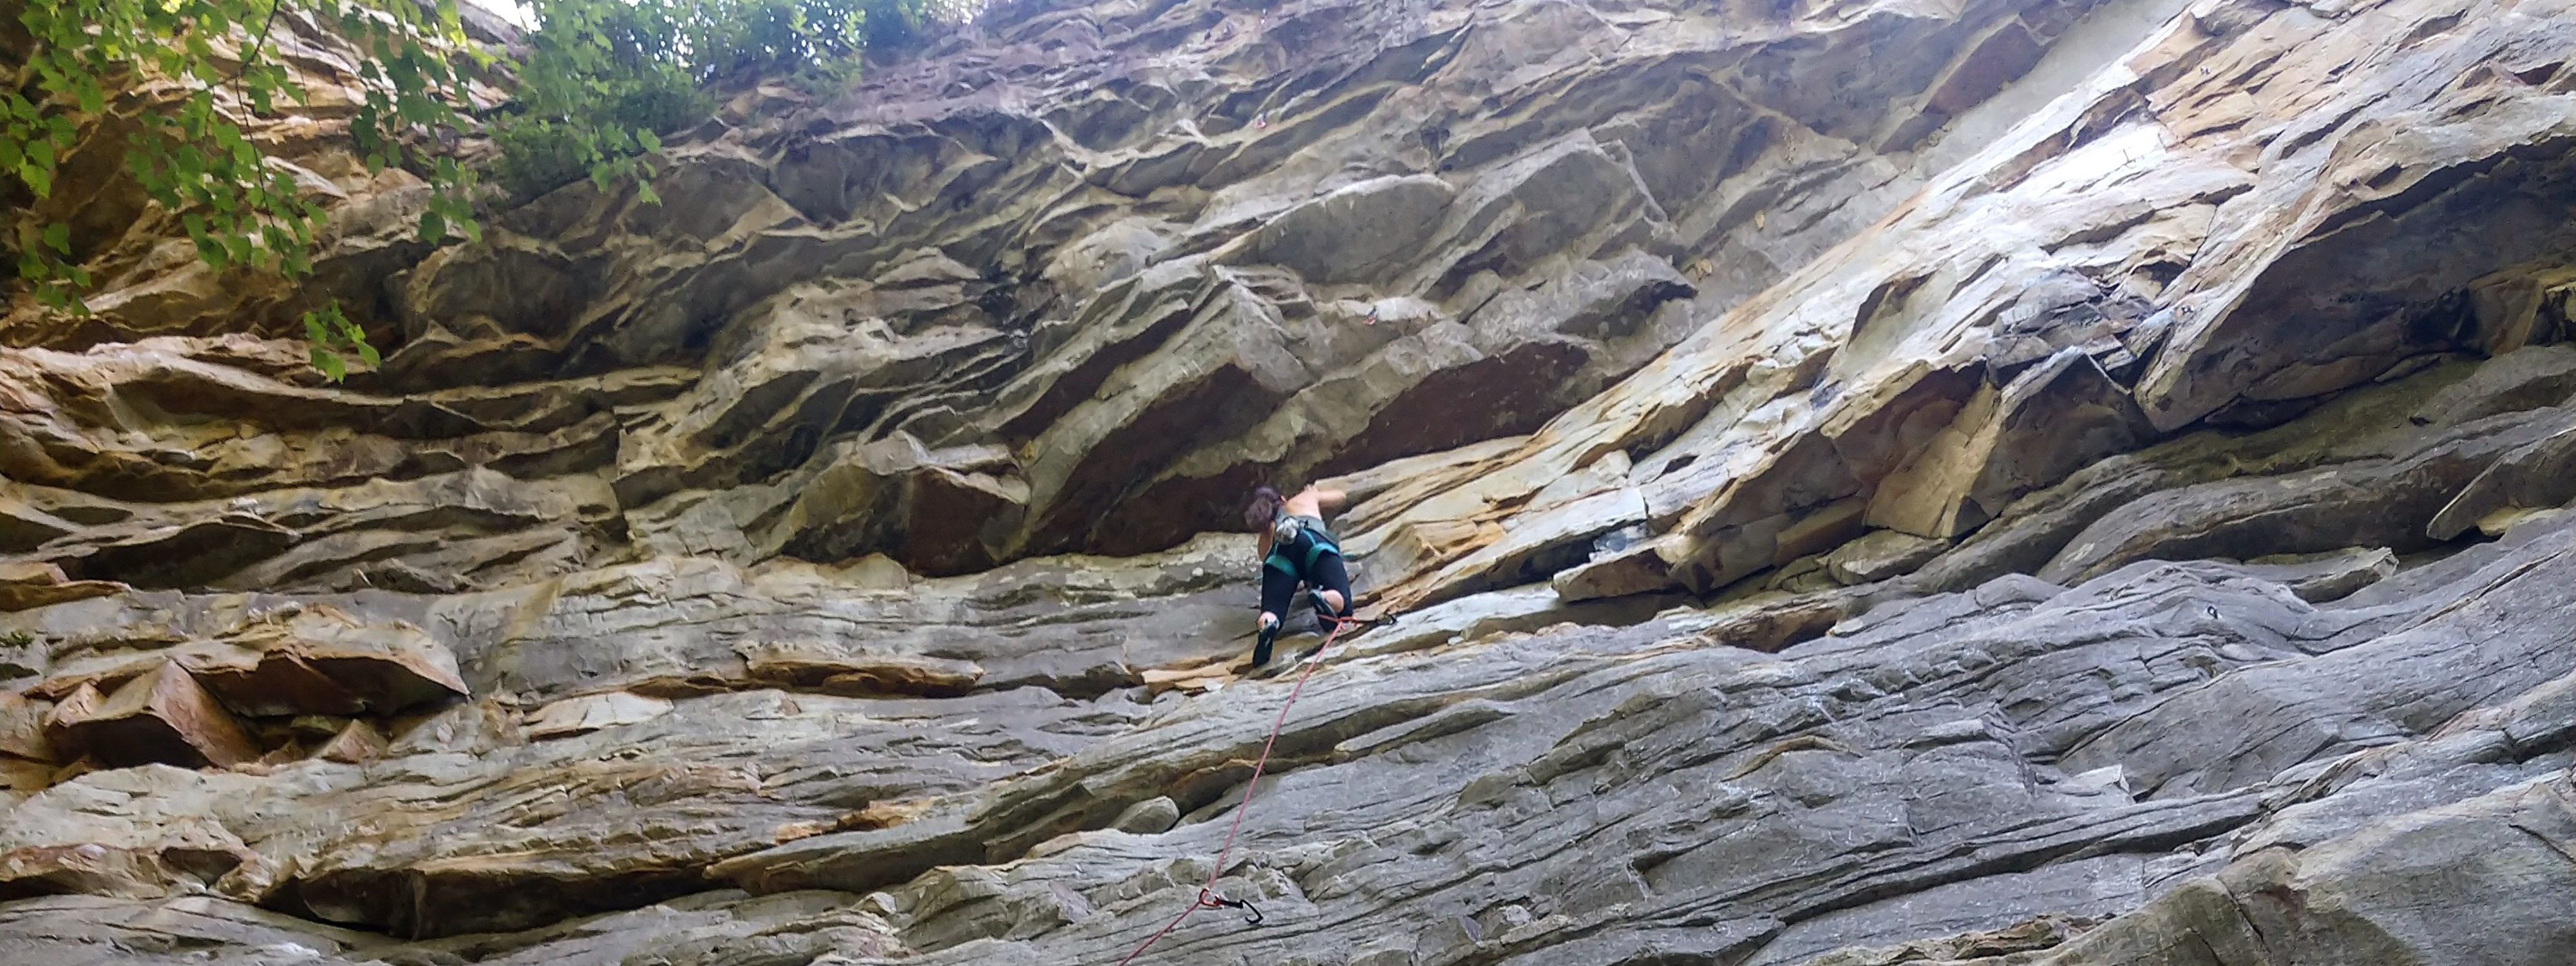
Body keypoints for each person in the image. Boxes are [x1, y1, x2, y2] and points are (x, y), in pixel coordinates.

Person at [1244, 483, 1354, 668]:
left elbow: (1269, 564)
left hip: (1280, 557)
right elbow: (1341, 497)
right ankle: (1324, 597)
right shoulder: (1303, 499)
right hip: (1313, 542)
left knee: (1272, 610)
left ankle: (1269, 624)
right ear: (1283, 499)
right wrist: (1314, 493)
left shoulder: (1264, 537)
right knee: (1344, 607)